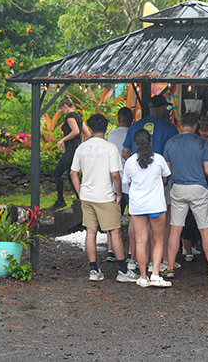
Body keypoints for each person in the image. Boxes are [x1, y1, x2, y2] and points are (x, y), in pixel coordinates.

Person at [70, 114, 137, 283]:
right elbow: (115, 175)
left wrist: (80, 192)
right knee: (114, 231)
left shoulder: (81, 148)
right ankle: (122, 271)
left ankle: (94, 270)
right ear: (106, 128)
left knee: (90, 232)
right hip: (106, 196)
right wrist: (120, 194)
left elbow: (73, 173)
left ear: (90, 129)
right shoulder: (110, 148)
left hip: (87, 196)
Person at [162, 112, 208, 278]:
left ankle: (170, 267)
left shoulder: (170, 143)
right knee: (204, 228)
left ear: (181, 124)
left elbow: (167, 171)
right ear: (196, 126)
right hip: (198, 188)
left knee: (175, 229)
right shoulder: (201, 143)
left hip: (178, 187)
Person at [122, 128, 172, 288]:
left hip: (137, 206)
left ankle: (143, 277)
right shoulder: (159, 159)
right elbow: (165, 179)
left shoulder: (130, 161)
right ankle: (155, 275)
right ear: (151, 141)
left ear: (135, 144)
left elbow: (128, 182)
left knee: (140, 241)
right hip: (156, 204)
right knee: (158, 241)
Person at [105, 106, 134, 269]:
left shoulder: (112, 134)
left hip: (114, 180)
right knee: (132, 218)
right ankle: (130, 251)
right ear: (131, 119)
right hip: (130, 180)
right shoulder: (133, 133)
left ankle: (111, 250)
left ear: (118, 119)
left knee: (114, 217)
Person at [51, 97, 89, 209]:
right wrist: (82, 147)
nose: (62, 112)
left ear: (65, 106)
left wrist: (62, 140)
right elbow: (87, 134)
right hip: (76, 149)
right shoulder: (78, 117)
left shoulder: (70, 116)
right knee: (70, 174)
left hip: (71, 149)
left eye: (62, 109)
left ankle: (60, 200)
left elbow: (76, 131)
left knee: (57, 173)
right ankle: (80, 199)